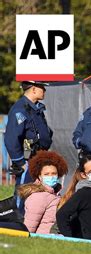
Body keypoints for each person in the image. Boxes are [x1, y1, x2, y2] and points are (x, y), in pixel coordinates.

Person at [5, 81, 53, 211]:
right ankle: (19, 222)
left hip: (38, 159)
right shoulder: (20, 109)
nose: (44, 90)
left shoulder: (35, 108)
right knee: (23, 194)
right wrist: (20, 161)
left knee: (37, 195)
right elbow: (11, 139)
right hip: (27, 160)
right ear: (33, 89)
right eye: (42, 87)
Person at [17, 151, 67, 233]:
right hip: (44, 239)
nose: (51, 177)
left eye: (54, 173)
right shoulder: (38, 197)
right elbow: (29, 227)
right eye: (46, 174)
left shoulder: (56, 194)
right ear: (39, 176)